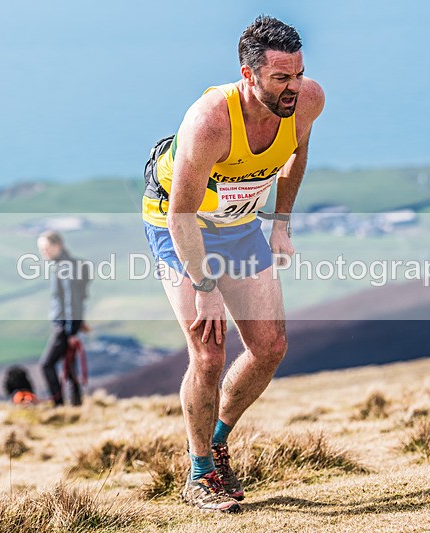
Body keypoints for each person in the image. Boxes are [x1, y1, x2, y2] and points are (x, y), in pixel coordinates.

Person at [142, 15, 324, 512]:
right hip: (181, 227)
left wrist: (280, 223)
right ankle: (198, 475)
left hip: (241, 227)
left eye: (299, 73)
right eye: (280, 78)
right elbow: (180, 214)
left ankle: (217, 439)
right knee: (208, 352)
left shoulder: (307, 101)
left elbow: (296, 152)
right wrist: (205, 285)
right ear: (248, 75)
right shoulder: (210, 122)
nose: (293, 88)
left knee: (270, 347)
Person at [37, 230, 89, 407]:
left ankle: (58, 404)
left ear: (57, 245)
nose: (44, 253)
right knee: (70, 366)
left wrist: (70, 331)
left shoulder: (65, 267)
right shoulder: (69, 265)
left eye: (46, 248)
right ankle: (76, 404)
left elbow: (71, 301)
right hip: (68, 325)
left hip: (64, 326)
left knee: (46, 365)